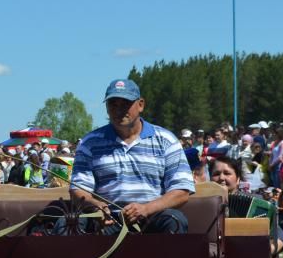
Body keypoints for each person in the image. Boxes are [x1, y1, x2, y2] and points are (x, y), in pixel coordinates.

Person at [71, 78, 194, 233]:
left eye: (125, 104)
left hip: (152, 219)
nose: (118, 109)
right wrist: (94, 204)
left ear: (141, 104)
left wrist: (146, 209)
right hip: (108, 222)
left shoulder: (166, 140)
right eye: (113, 104)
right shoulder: (89, 143)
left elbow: (181, 192)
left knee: (174, 219)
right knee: (73, 222)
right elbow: (78, 190)